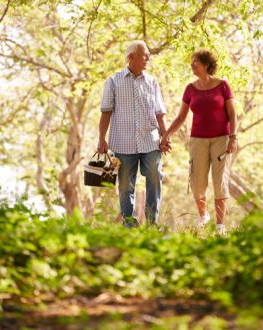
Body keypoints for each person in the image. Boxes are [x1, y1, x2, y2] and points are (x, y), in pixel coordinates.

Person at [160, 50, 238, 235]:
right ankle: (203, 217)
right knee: (197, 183)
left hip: (221, 139)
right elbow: (181, 117)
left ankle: (220, 227)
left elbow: (233, 114)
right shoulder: (190, 88)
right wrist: (166, 135)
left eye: (195, 62)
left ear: (205, 64)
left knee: (220, 183)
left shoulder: (223, 85)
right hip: (197, 141)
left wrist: (233, 138)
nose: (192, 65)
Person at [97, 40, 170, 227]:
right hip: (123, 142)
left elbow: (159, 113)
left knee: (154, 174)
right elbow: (106, 111)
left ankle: (152, 222)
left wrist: (165, 136)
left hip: (150, 140)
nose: (148, 58)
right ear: (131, 57)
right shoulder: (113, 81)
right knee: (125, 186)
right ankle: (129, 222)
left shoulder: (152, 82)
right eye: (144, 55)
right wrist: (101, 139)